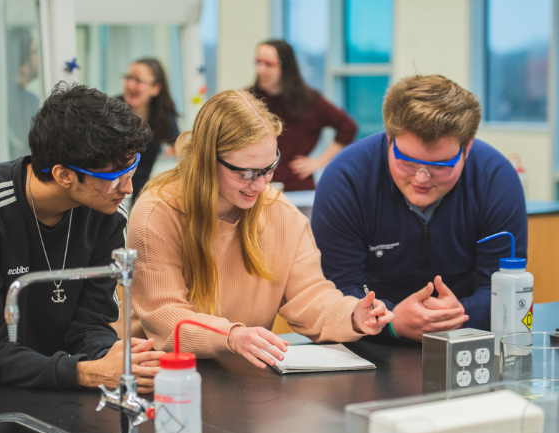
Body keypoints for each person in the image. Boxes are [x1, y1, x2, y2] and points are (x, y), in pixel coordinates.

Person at [0, 82, 164, 391]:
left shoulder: (109, 216)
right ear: (64, 175)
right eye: (115, 177)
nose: (127, 189)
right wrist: (88, 373)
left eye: (131, 172)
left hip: (53, 373)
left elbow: (91, 325)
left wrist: (114, 360)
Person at [122, 90, 393, 369]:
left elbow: (309, 296)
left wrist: (351, 315)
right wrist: (231, 336)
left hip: (239, 374)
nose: (262, 186)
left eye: (268, 168)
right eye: (246, 173)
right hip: (160, 375)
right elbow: (165, 318)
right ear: (207, 160)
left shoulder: (279, 213)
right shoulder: (157, 212)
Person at [311, 74, 528, 343]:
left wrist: (455, 316)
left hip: (468, 345)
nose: (421, 178)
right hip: (365, 349)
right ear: (389, 138)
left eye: (440, 165)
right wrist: (392, 321)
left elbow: (503, 291)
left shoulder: (496, 179)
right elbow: (336, 291)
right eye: (408, 162)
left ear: (467, 147)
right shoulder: (346, 179)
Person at [248, 39, 357, 191]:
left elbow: (348, 127)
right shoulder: (247, 99)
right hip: (255, 186)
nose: (261, 69)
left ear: (285, 67)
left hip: (296, 188)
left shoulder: (309, 100)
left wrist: (318, 162)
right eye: (258, 62)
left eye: (269, 64)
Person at [118, 58, 179, 202]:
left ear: (155, 88)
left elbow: (180, 145)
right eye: (128, 78)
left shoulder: (163, 115)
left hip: (142, 192)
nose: (130, 84)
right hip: (111, 188)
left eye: (138, 80)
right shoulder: (108, 111)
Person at [7, 27, 40, 160]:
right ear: (23, 66)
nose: (37, 58)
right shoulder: (28, 102)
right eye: (33, 52)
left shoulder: (4, 97)